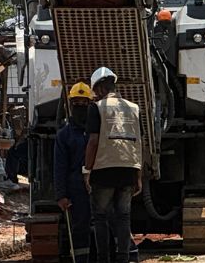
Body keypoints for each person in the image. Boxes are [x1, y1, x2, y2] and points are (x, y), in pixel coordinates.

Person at [84, 66, 142, 263]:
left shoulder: (97, 108)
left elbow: (93, 141)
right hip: (128, 170)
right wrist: (138, 175)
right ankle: (123, 259)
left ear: (99, 88)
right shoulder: (133, 108)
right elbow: (138, 143)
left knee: (100, 216)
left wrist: (87, 169)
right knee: (124, 217)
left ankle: (103, 259)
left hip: (104, 170)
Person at [55, 82, 94, 262]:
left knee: (106, 224)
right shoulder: (64, 135)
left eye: (84, 103)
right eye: (76, 103)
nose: (80, 107)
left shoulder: (98, 131)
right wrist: (61, 195)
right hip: (76, 187)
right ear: (70, 105)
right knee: (79, 227)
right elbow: (60, 166)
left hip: (99, 184)